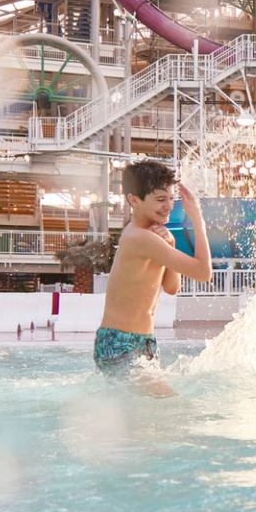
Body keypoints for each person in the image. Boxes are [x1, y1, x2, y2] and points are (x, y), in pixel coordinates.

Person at [95, 160, 211, 397]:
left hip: (144, 342)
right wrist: (197, 220)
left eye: (170, 198)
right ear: (134, 200)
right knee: (170, 403)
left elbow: (171, 287)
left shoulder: (153, 237)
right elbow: (203, 272)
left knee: (146, 417)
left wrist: (170, 242)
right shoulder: (139, 237)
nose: (168, 206)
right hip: (119, 345)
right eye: (160, 199)